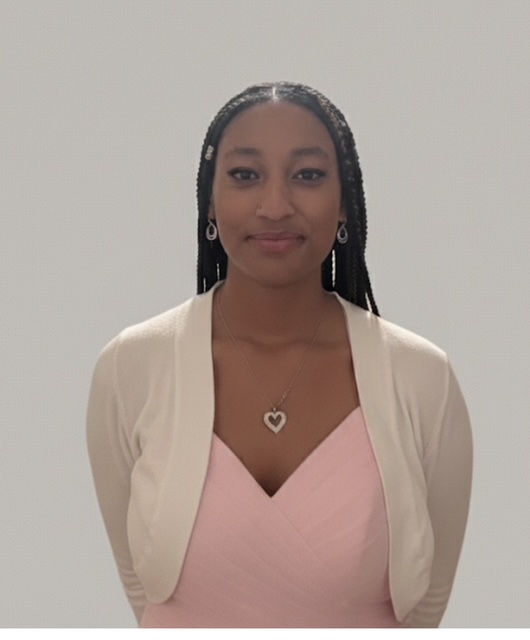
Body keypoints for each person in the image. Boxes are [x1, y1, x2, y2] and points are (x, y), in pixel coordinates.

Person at [86, 81, 472, 628]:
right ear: (210, 200)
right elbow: (143, 588)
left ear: (345, 201)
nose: (275, 206)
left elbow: (425, 602)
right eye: (245, 175)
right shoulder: (131, 367)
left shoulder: (422, 377)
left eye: (307, 175)